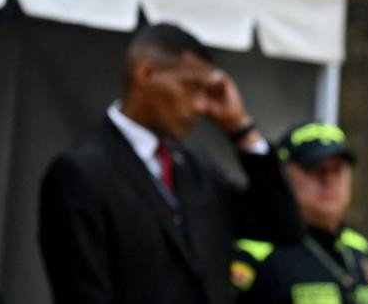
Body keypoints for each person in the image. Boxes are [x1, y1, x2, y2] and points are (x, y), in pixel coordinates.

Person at [38, 23, 304, 304]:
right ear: (146, 74)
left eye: (207, 91)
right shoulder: (82, 171)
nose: (201, 106)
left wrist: (240, 129)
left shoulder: (196, 166)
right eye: (192, 86)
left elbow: (284, 227)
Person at [231, 122, 368, 303]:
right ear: (284, 175)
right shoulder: (260, 252)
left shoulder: (360, 249)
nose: (329, 180)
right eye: (316, 169)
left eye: (337, 169)